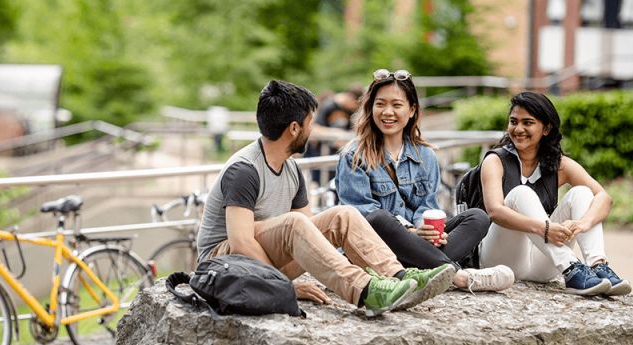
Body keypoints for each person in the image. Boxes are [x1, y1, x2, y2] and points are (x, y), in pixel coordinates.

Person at [196, 79, 455, 317]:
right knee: (293, 224)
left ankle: (399, 277)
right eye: (311, 122)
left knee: (343, 214)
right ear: (294, 128)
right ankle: (367, 291)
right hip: (227, 266)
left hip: (263, 262)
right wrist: (283, 286)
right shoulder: (244, 170)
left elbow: (312, 234)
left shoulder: (292, 168)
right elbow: (240, 242)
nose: (314, 129)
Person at [336, 68, 515, 293]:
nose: (387, 112)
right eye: (380, 104)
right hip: (375, 250)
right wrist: (411, 232)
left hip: (417, 248)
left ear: (412, 110)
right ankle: (459, 276)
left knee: (477, 217)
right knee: (379, 218)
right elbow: (360, 217)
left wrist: (427, 229)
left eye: (397, 105)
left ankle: (422, 271)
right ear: (370, 108)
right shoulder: (353, 155)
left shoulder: (426, 155)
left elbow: (428, 206)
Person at [477, 91, 631, 296]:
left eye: (528, 123)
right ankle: (571, 267)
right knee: (521, 193)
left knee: (582, 193)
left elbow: (603, 197)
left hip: (542, 266)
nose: (518, 129)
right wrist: (545, 229)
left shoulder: (559, 164)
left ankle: (597, 265)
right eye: (514, 121)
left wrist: (582, 223)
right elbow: (495, 211)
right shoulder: (495, 161)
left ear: (546, 128)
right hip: (501, 261)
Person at [305, 86, 363, 185]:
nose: (355, 108)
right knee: (322, 190)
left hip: (342, 158)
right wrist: (338, 134)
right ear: (349, 98)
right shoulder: (329, 105)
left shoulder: (352, 110)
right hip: (323, 158)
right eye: (354, 104)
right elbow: (314, 129)